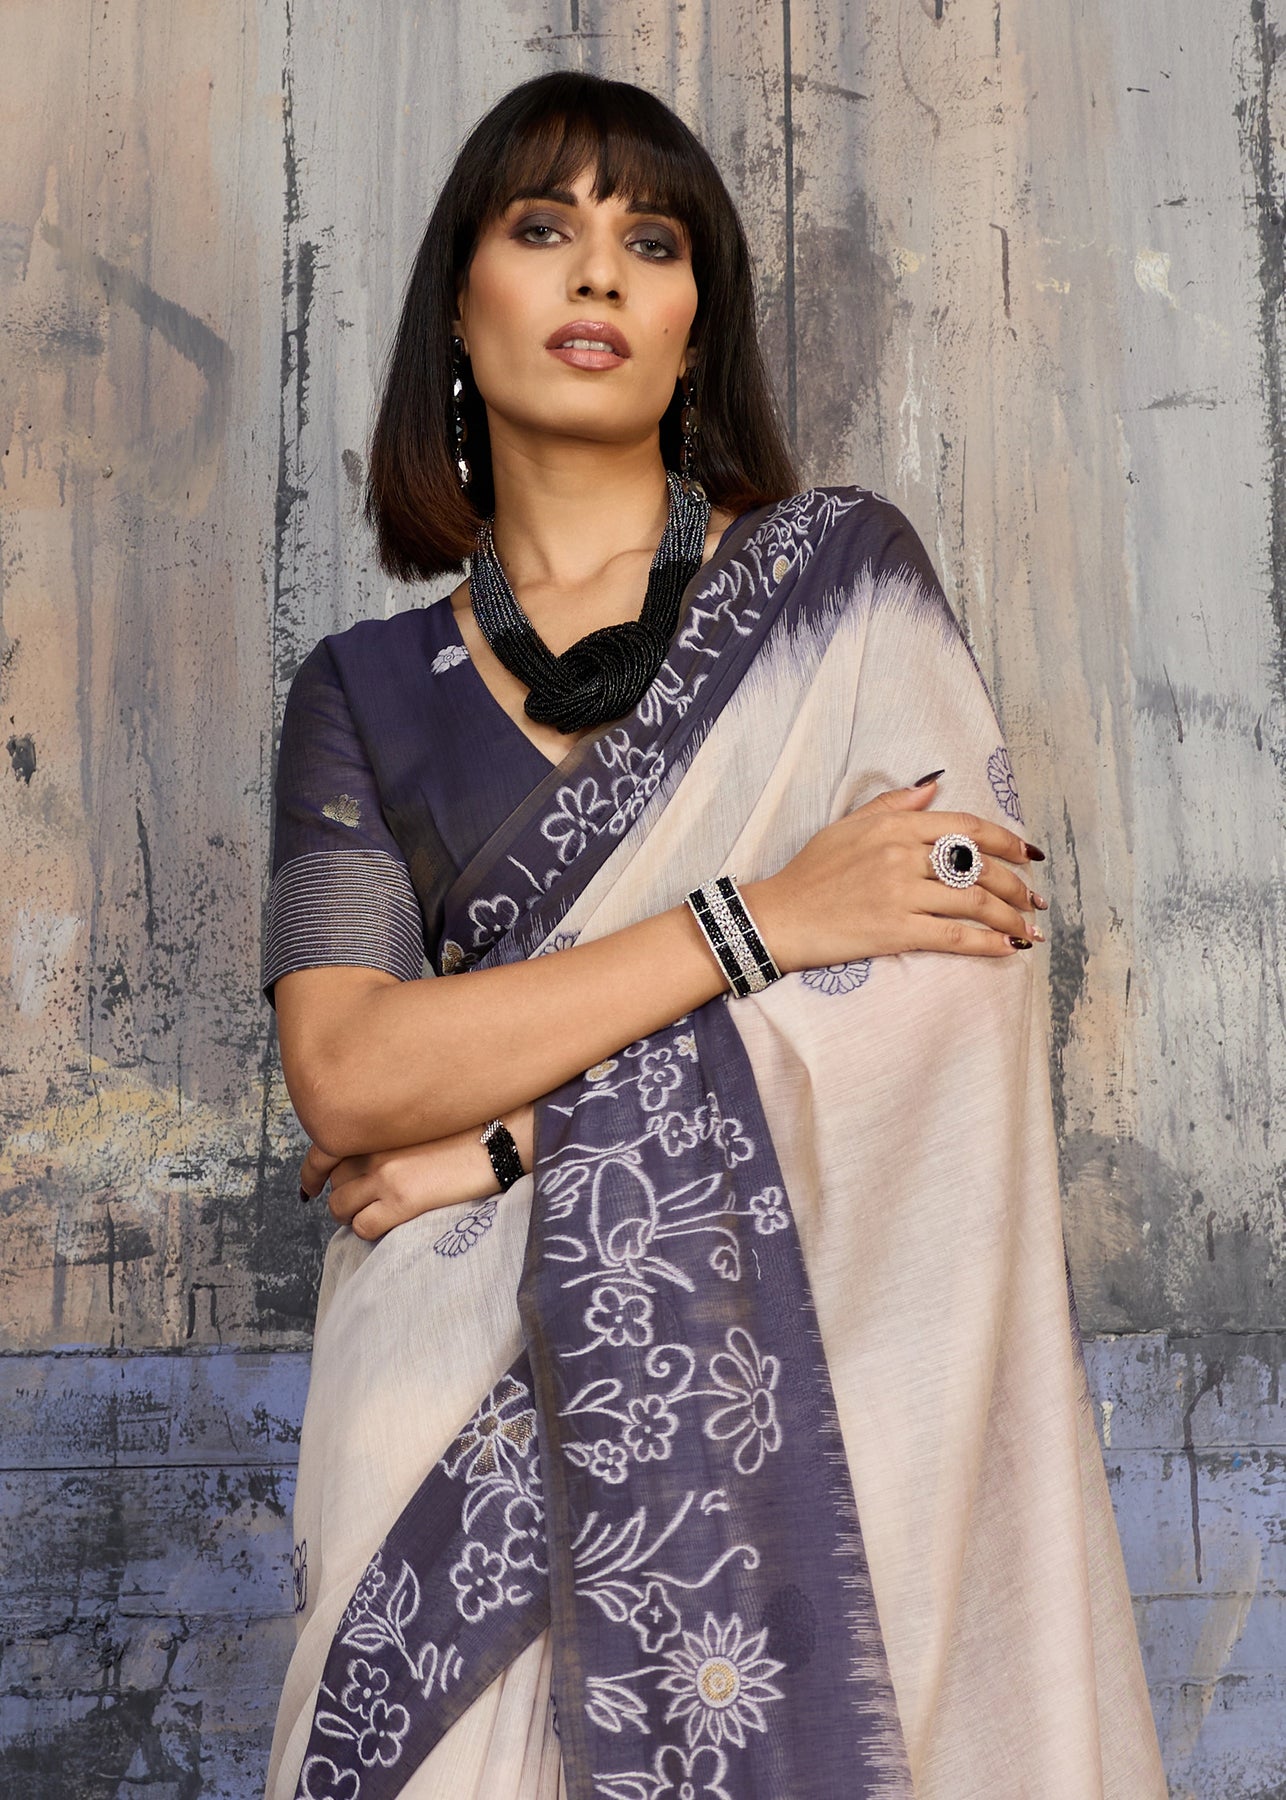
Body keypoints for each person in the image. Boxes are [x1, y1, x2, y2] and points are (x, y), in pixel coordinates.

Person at [259, 69, 1167, 1800]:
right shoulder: (365, 691)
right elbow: (353, 1071)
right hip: (438, 1402)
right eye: (544, 226)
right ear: (458, 304)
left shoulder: (842, 593)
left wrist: (515, 1140)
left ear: (696, 330)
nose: (599, 271)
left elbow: (956, 970)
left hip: (787, 1389)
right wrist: (754, 920)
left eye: (652, 240)